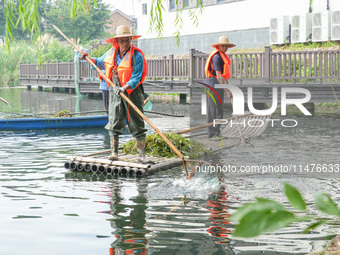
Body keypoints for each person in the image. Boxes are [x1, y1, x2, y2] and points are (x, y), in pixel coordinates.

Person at [81, 25, 148, 163]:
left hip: (132, 91)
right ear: (116, 41)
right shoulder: (111, 53)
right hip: (114, 90)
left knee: (136, 122)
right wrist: (87, 57)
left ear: (131, 39)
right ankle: (114, 153)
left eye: (126, 40)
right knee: (114, 120)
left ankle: (142, 155)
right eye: (121, 40)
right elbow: (99, 63)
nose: (124, 43)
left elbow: (136, 76)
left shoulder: (137, 55)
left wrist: (124, 88)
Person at [205, 35, 236, 138]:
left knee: (220, 108)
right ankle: (211, 133)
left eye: (226, 46)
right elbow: (218, 76)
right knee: (212, 109)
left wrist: (227, 88)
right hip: (212, 84)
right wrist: (227, 90)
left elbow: (223, 76)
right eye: (223, 46)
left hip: (219, 82)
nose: (225, 48)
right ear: (219, 46)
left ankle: (217, 131)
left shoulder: (223, 56)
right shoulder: (217, 57)